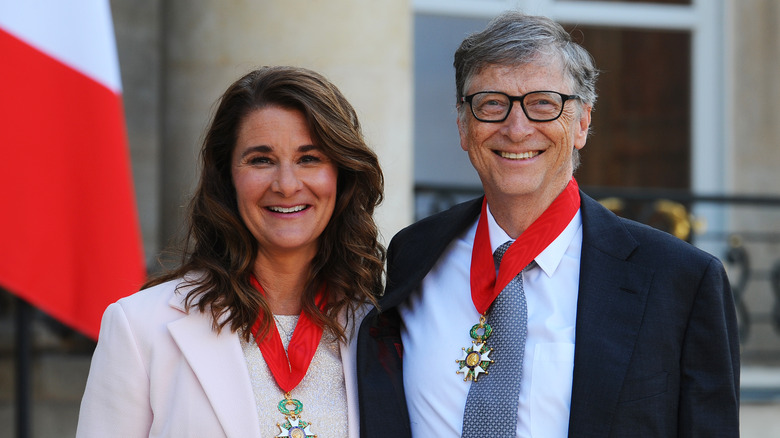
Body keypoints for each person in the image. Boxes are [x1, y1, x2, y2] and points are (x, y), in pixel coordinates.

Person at [357, 11, 739, 438]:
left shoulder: (681, 281)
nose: (516, 129)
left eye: (543, 103)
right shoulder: (415, 254)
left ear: (581, 123)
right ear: (463, 126)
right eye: (491, 104)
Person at [77, 66, 385, 437]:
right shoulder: (139, 327)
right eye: (261, 160)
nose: (286, 185)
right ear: (227, 177)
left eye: (309, 158)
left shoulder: (378, 327)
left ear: (341, 174)